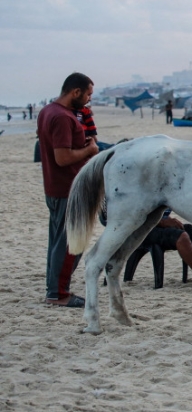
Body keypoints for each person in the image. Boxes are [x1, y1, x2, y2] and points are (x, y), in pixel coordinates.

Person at [37, 72, 100, 307]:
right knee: (70, 242)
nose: (88, 100)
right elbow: (62, 157)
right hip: (68, 187)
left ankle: (54, 289)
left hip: (55, 187)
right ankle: (58, 293)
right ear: (76, 92)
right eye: (88, 95)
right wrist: (89, 151)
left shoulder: (47, 111)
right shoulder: (63, 117)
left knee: (58, 241)